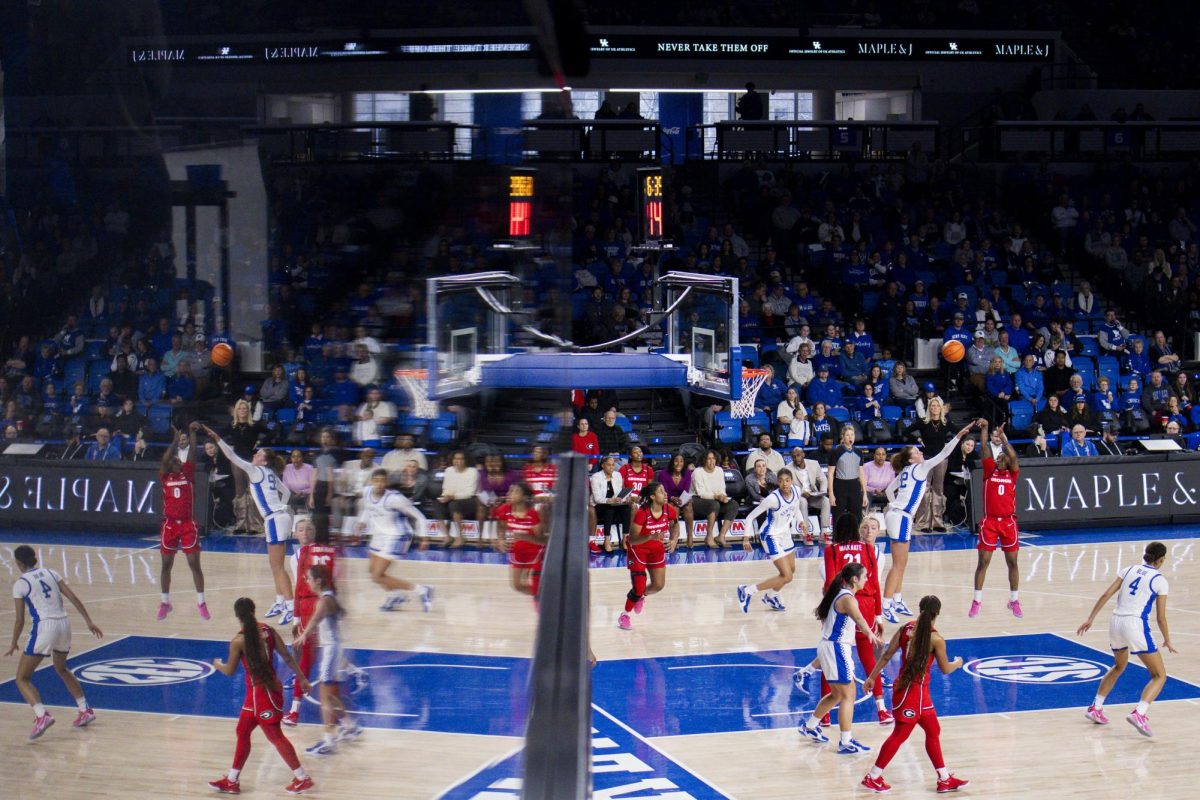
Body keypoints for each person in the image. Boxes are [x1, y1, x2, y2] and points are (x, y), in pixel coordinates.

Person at [860, 596, 969, 794]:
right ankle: (873, 776)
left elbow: (886, 655)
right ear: (938, 613)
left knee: (933, 730)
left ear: (919, 610)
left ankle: (944, 778)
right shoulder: (936, 639)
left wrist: (871, 677)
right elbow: (945, 669)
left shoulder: (906, 629)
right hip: (913, 693)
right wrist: (958, 663)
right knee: (900, 735)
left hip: (912, 691)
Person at [208, 597, 313, 795]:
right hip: (262, 693)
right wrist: (302, 679)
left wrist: (217, 664)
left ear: (237, 616)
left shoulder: (238, 640)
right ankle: (232, 780)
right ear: (254, 611)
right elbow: (288, 657)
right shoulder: (268, 631)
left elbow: (230, 671)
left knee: (275, 736)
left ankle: (302, 778)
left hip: (262, 694)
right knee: (243, 730)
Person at [1077, 542, 1177, 737]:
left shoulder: (1129, 569)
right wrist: (1167, 639)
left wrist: (1090, 618)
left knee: (1119, 666)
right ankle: (1139, 713)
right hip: (1135, 625)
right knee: (1159, 675)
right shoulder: (1159, 580)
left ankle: (1096, 707)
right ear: (1162, 560)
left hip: (1115, 622)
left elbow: (1106, 594)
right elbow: (1160, 617)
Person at [882, 421, 977, 624]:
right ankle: (886, 604)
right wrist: (958, 436)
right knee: (898, 565)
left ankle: (897, 599)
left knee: (901, 563)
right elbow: (943, 454)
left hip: (898, 516)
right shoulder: (919, 468)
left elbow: (889, 491)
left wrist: (894, 506)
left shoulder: (905, 472)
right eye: (917, 451)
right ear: (911, 459)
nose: (920, 452)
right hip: (901, 517)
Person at [6, 544, 102, 740]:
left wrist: (14, 641)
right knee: (62, 668)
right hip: (64, 625)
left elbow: (20, 620)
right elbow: (73, 597)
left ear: (18, 563)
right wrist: (89, 621)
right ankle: (85, 709)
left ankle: (41, 715)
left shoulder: (21, 583)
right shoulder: (51, 572)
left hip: (44, 627)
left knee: (22, 678)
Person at [205, 424, 296, 624]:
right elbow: (287, 492)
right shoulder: (271, 473)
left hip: (274, 519)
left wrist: (218, 438)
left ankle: (291, 606)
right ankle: (280, 601)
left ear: (263, 459)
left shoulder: (256, 471)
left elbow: (232, 457)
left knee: (278, 567)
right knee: (275, 565)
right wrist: (281, 507)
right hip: (281, 517)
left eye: (259, 453)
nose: (255, 454)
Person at [798, 563, 883, 752]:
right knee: (848, 695)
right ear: (855, 579)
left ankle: (810, 726)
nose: (867, 579)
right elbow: (859, 619)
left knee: (837, 694)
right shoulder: (847, 599)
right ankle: (846, 742)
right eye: (864, 576)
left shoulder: (841, 593)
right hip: (836, 648)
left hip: (830, 647)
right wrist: (871, 634)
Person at [818, 515, 890, 724]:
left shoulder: (831, 550)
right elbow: (875, 583)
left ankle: (825, 716)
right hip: (866, 607)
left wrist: (826, 611)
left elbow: (831, 582)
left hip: (842, 605)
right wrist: (878, 614)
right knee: (869, 657)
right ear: (857, 530)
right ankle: (882, 709)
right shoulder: (868, 549)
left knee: (829, 659)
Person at [295, 565, 361, 756]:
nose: (306, 581)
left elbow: (315, 620)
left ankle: (328, 741)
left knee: (325, 697)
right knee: (332, 696)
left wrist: (303, 636)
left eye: (308, 578)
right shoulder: (330, 596)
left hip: (332, 651)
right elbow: (340, 615)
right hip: (336, 648)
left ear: (318, 581)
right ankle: (349, 726)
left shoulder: (324, 601)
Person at [284, 517, 340, 727]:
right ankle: (343, 719)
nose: (305, 532)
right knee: (326, 652)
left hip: (314, 607)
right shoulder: (304, 555)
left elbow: (301, 586)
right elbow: (300, 585)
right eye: (301, 529)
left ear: (315, 532)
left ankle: (295, 710)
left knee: (311, 658)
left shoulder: (313, 553)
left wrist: (297, 616)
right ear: (295, 533)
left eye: (309, 528)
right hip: (320, 605)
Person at [357, 468, 434, 612]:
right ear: (372, 481)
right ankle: (395, 595)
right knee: (372, 572)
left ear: (387, 483)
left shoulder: (395, 499)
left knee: (378, 575)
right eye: (376, 481)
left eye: (382, 481)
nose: (379, 484)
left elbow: (419, 517)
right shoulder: (366, 492)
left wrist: (424, 537)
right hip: (379, 535)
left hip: (397, 536)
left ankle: (422, 590)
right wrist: (362, 522)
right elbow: (367, 508)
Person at [970, 421, 1022, 618]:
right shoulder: (989, 471)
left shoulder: (1013, 473)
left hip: (1008, 522)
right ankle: (977, 601)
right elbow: (984, 447)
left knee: (1013, 563)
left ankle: (1014, 600)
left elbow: (1014, 456)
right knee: (983, 562)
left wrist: (1004, 438)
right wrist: (984, 429)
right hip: (990, 522)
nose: (999, 456)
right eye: (998, 455)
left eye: (1002, 455)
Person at [736, 470, 805, 613]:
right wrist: (746, 537)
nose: (784, 484)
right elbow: (750, 517)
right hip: (770, 536)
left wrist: (802, 522)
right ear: (778, 482)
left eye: (787, 480)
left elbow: (795, 508)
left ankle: (771, 596)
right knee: (787, 575)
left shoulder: (797, 491)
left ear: (792, 481)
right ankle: (747, 590)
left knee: (790, 571)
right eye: (781, 481)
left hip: (785, 534)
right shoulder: (773, 499)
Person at [158, 423, 207, 621]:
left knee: (194, 564)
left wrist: (193, 434)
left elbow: (193, 451)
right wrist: (174, 440)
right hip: (169, 524)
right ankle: (164, 602)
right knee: (165, 566)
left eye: (178, 457)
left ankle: (201, 602)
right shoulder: (165, 476)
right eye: (175, 458)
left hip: (187, 524)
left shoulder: (187, 474)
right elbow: (164, 459)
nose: (177, 459)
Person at [617, 482, 679, 630]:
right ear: (652, 496)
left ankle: (640, 596)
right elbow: (632, 539)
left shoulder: (669, 510)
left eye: (664, 491)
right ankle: (624, 615)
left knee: (658, 585)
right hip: (638, 549)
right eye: (661, 491)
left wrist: (674, 540)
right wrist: (651, 536)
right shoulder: (642, 513)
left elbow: (675, 525)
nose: (665, 494)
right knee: (638, 587)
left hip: (656, 549)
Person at [493, 482, 545, 599]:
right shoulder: (504, 510)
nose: (509, 494)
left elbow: (542, 541)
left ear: (525, 497)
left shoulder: (533, 514)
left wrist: (525, 537)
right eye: (509, 491)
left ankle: (544, 598)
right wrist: (500, 540)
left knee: (534, 581)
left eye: (515, 491)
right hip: (517, 553)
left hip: (535, 553)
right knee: (517, 585)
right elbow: (501, 528)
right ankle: (543, 595)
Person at [780, 446, 832, 544]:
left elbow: (822, 479)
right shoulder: (787, 469)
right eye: (794, 456)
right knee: (803, 501)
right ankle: (806, 534)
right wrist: (801, 493)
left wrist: (822, 491)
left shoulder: (814, 463)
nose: (796, 458)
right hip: (799, 496)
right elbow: (788, 486)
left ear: (803, 455)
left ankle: (824, 533)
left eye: (798, 455)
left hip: (813, 495)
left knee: (826, 500)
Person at [692, 449, 738, 548]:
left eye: (713, 458)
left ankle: (721, 536)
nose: (711, 461)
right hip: (697, 500)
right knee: (714, 504)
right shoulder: (697, 472)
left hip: (715, 499)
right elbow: (701, 493)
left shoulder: (719, 470)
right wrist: (716, 497)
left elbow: (722, 488)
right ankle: (709, 537)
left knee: (733, 504)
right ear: (704, 460)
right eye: (709, 459)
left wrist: (722, 496)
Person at [826, 425, 868, 528]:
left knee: (857, 516)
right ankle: (837, 540)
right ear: (843, 437)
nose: (850, 437)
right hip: (840, 485)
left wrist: (865, 493)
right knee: (838, 516)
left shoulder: (859, 452)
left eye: (852, 435)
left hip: (854, 485)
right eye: (847, 435)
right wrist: (831, 494)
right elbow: (830, 474)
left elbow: (861, 473)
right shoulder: (836, 452)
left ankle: (857, 540)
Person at [658, 452, 695, 546]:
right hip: (667, 499)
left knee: (688, 506)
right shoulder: (664, 474)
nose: (679, 464)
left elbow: (686, 490)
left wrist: (682, 499)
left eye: (681, 461)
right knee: (673, 508)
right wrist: (672, 498)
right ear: (672, 462)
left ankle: (690, 536)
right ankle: (673, 539)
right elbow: (664, 492)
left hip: (681, 498)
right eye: (676, 461)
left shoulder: (687, 473)